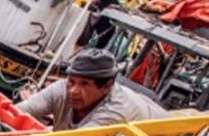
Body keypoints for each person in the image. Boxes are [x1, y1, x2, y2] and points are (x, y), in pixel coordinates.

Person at [16, 49, 169, 131]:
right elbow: (21, 110)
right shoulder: (62, 88)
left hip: (162, 129)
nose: (73, 90)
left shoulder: (115, 112)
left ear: (107, 86)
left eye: (85, 84)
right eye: (72, 81)